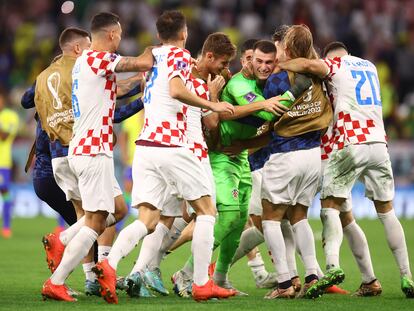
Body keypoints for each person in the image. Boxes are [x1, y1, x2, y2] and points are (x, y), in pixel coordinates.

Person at [93, 10, 236, 304]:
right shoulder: (180, 57)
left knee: (148, 220)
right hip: (171, 145)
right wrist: (213, 104)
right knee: (208, 211)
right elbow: (176, 90)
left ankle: (109, 264)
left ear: (158, 35)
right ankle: (200, 284)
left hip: (145, 147)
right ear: (184, 35)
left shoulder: (153, 58)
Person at [279, 40, 414, 299]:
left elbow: (308, 64)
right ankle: (406, 275)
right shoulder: (370, 67)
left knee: (329, 204)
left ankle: (331, 266)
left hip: (351, 143)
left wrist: (283, 63)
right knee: (387, 212)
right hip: (379, 144)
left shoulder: (335, 64)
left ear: (331, 58)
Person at [41, 12, 153, 302]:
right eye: (119, 35)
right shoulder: (97, 58)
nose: (120, 39)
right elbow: (138, 62)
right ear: (113, 34)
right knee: (95, 222)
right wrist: (157, 52)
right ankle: (57, 280)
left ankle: (62, 241)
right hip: (92, 150)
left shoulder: (86, 64)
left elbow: (115, 90)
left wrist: (140, 87)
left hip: (87, 149)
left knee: (113, 210)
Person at [0, 90, 19, 238]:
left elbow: (5, 136)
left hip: (3, 162)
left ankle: (6, 226)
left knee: (4, 192)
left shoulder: (11, 117)